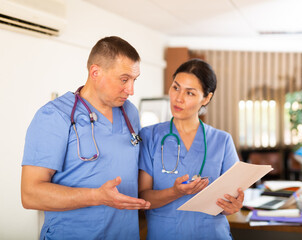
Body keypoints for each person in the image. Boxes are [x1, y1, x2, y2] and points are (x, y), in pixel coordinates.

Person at [21, 36, 151, 240]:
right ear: (95, 72)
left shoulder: (129, 113)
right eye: (124, 79)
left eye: (135, 80)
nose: (131, 90)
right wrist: (96, 197)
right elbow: (30, 194)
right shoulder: (55, 116)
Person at [138, 59, 244, 240]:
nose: (178, 98)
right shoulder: (150, 136)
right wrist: (176, 192)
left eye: (190, 93)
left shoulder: (222, 141)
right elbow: (142, 199)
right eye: (176, 88)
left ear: (206, 98)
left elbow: (233, 198)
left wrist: (234, 206)